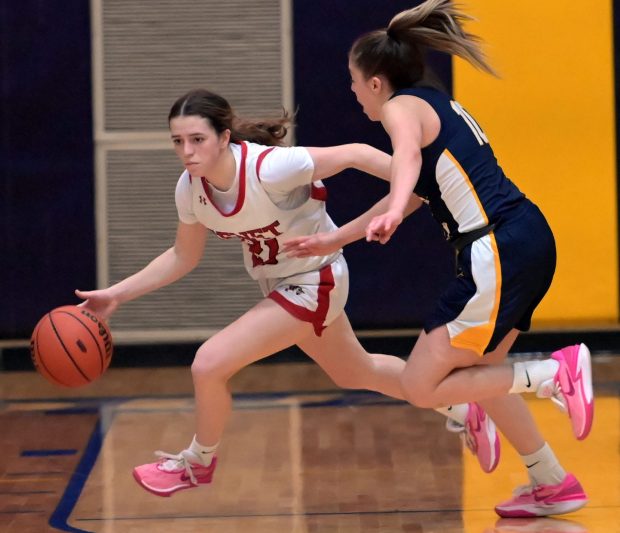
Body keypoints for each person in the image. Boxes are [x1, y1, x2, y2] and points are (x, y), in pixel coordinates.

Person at [75, 88, 498, 497]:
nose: (187, 151)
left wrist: (415, 179)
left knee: (208, 364)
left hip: (317, 278)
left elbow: (353, 153)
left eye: (197, 139)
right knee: (356, 372)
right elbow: (182, 257)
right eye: (178, 141)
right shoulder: (190, 188)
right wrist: (118, 295)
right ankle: (463, 406)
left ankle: (197, 462)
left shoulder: (270, 168)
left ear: (224, 138)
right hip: (284, 284)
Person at [283, 0, 593, 518]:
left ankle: (554, 373)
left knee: (420, 386)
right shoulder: (432, 105)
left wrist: (398, 203)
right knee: (484, 371)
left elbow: (403, 165)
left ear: (377, 83)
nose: (353, 91)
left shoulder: (402, 109)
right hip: (523, 240)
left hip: (497, 247)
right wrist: (335, 240)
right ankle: (551, 481)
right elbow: (415, 191)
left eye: (354, 81)